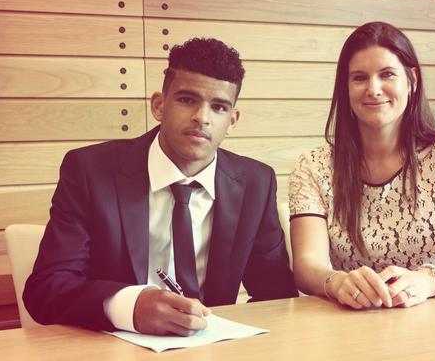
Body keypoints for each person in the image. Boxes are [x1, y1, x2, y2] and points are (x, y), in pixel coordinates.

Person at [24, 37, 297, 335]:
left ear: (232, 121)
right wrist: (128, 306)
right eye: (187, 99)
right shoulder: (90, 171)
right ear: (159, 105)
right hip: (113, 347)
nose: (202, 118)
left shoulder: (256, 183)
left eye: (218, 107)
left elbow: (278, 296)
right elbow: (45, 291)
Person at [288, 22, 435, 310]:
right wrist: (336, 282)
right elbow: (307, 266)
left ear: (412, 80)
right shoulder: (312, 166)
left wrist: (428, 281)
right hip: (352, 323)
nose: (374, 89)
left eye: (387, 74)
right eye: (359, 78)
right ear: (345, 88)